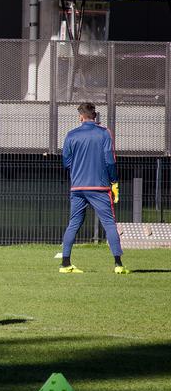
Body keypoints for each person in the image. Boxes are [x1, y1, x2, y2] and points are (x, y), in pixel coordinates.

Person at [59, 102, 127, 274]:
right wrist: (114, 181)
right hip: (99, 187)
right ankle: (118, 265)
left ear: (81, 116)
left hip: (77, 188)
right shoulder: (104, 133)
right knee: (109, 224)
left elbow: (66, 162)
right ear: (95, 117)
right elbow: (110, 160)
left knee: (74, 223)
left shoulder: (71, 135)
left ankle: (65, 265)